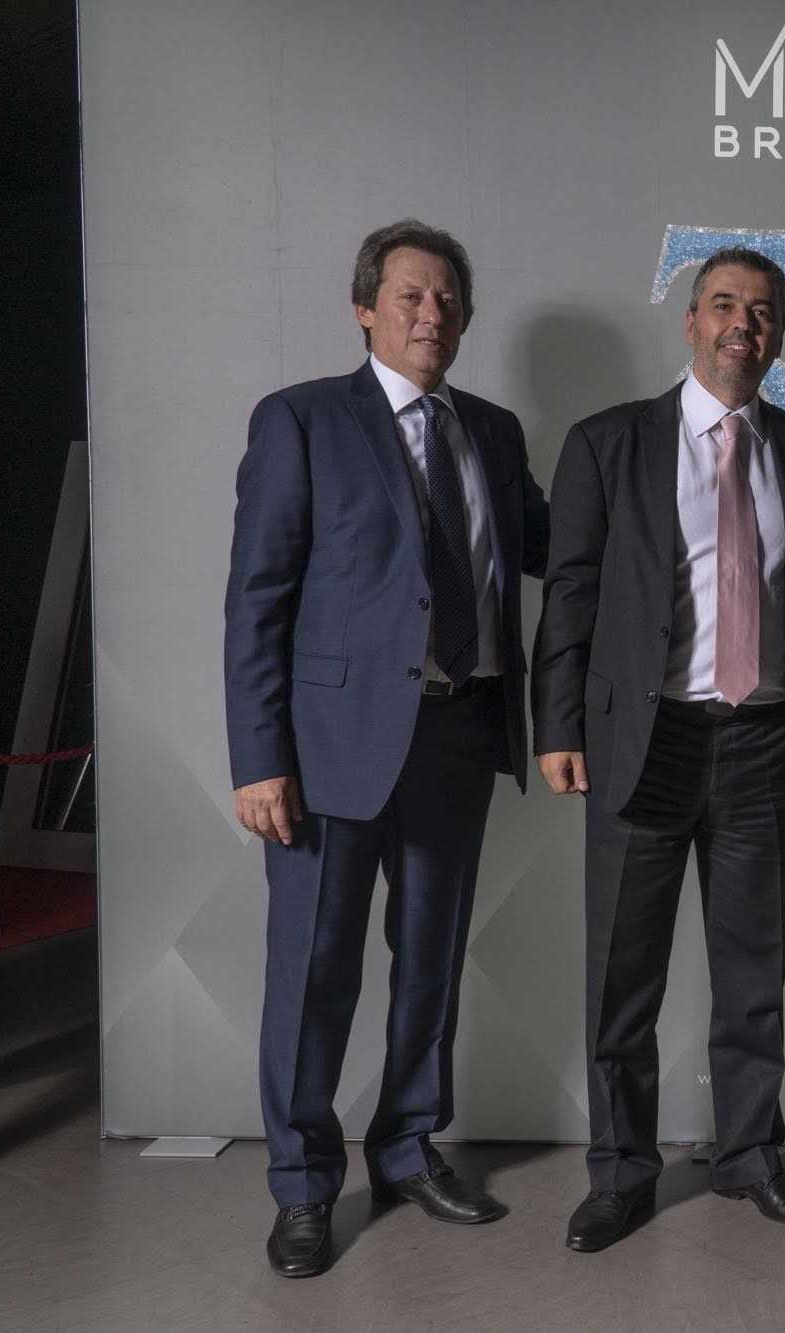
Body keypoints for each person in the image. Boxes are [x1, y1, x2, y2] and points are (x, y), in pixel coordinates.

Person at [224, 219, 549, 1279]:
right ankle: (303, 1183)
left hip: (459, 730)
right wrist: (257, 755)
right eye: (410, 295)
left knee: (430, 962)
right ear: (365, 307)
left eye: (448, 298)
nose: (431, 314)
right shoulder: (302, 419)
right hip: (327, 751)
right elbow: (257, 599)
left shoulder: (492, 431)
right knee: (313, 970)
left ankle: (406, 1147)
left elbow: (555, 545)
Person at [532, 247, 785, 1252]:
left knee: (753, 970)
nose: (741, 325)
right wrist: (557, 724)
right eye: (722, 305)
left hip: (762, 738)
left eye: (761, 311)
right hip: (646, 737)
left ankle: (750, 1157)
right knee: (623, 975)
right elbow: (570, 592)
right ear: (690, 321)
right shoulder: (609, 441)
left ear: (778, 333)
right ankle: (620, 1171)